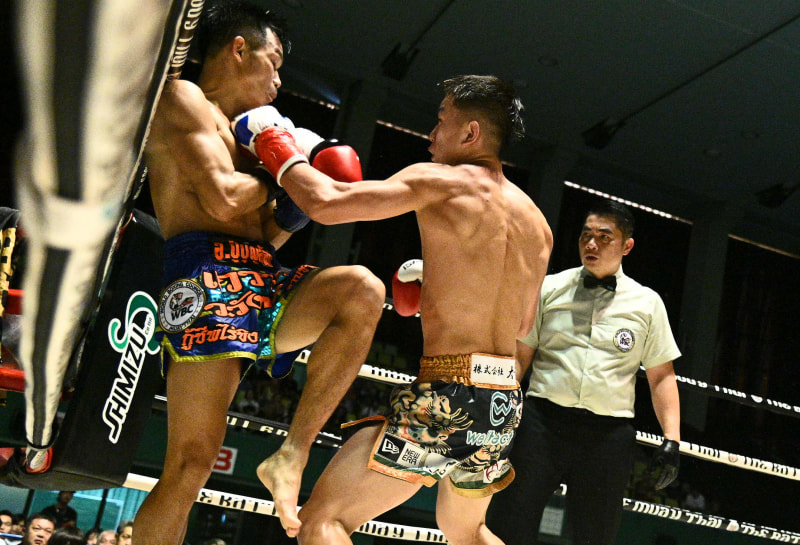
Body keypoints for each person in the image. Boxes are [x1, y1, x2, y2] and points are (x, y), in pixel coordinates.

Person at [235, 74, 553, 543]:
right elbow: (523, 323)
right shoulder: (537, 224)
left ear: (471, 133)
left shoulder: (440, 181)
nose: (432, 133)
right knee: (467, 531)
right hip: (503, 402)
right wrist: (437, 289)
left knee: (323, 521)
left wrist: (273, 141)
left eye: (441, 120)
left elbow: (327, 203)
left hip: (450, 394)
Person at [136, 1, 384, 543]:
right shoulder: (184, 99)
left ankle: (292, 454)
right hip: (205, 280)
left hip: (262, 275)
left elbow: (266, 235)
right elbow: (223, 200)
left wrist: (292, 211)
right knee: (191, 464)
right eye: (273, 63)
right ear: (238, 49)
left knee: (363, 288)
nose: (278, 80)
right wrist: (289, 170)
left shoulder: (248, 135)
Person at [487, 199, 682, 545]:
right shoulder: (549, 288)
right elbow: (520, 357)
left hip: (608, 435)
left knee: (596, 537)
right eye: (586, 235)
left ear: (627, 246)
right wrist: (497, 412)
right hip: (540, 424)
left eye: (604, 237)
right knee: (508, 524)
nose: (591, 244)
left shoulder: (648, 303)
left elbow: (661, 376)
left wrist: (672, 439)